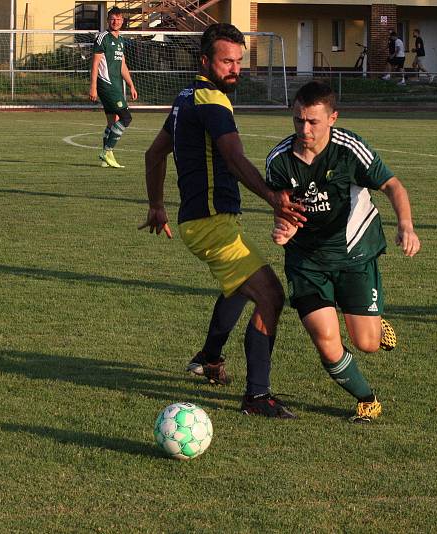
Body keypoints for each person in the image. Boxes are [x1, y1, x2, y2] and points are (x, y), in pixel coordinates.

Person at [139, 23, 306, 418]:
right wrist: (271, 198)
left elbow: (153, 154)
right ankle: (257, 397)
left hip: (204, 220)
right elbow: (233, 158)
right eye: (226, 61)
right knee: (270, 294)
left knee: (239, 286)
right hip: (210, 223)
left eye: (238, 61)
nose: (235, 69)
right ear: (205, 61)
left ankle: (208, 358)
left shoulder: (185, 97)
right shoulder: (212, 100)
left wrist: (156, 205)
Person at [265, 81, 421, 423]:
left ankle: (376, 329)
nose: (304, 129)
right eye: (298, 120)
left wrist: (405, 226)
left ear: (332, 118)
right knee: (325, 338)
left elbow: (393, 186)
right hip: (306, 261)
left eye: (313, 122)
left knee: (365, 342)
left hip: (354, 255)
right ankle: (367, 399)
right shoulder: (279, 161)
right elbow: (283, 208)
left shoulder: (350, 149)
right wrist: (283, 228)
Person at [89, 7, 138, 169]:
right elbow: (95, 64)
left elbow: (123, 65)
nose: (115, 22)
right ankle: (108, 150)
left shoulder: (121, 40)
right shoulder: (102, 38)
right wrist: (93, 87)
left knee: (112, 121)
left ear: (122, 21)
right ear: (108, 20)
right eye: (112, 19)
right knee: (126, 117)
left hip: (115, 84)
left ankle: (104, 159)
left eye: (118, 19)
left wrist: (131, 84)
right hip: (106, 84)